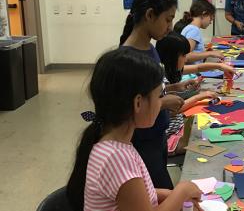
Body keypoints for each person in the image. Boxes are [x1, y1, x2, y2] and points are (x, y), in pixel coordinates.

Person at [66, 48, 203, 211]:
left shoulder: (114, 144)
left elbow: (132, 194)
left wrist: (167, 195)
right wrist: (182, 191)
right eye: (159, 97)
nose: (161, 103)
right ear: (138, 103)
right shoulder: (115, 158)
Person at [119, 0, 190, 189]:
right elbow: (129, 109)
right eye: (167, 19)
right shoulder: (128, 58)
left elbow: (153, 90)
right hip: (142, 142)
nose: (170, 26)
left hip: (158, 135)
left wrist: (175, 87)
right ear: (150, 15)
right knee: (159, 192)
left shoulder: (150, 48)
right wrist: (164, 102)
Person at [174, 0, 224, 64]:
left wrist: (204, 53)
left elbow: (192, 52)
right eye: (210, 19)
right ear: (203, 14)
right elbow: (187, 57)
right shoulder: (194, 30)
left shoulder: (189, 28)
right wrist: (209, 54)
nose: (210, 22)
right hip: (193, 73)